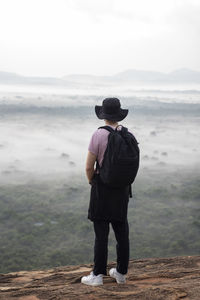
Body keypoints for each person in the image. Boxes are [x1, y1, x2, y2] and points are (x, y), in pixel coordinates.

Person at [81, 97, 132, 286]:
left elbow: (88, 167)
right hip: (122, 190)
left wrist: (91, 181)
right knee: (121, 231)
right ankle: (121, 273)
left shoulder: (98, 135)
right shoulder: (127, 134)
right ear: (119, 115)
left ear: (103, 115)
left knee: (101, 234)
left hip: (102, 189)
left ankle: (97, 276)